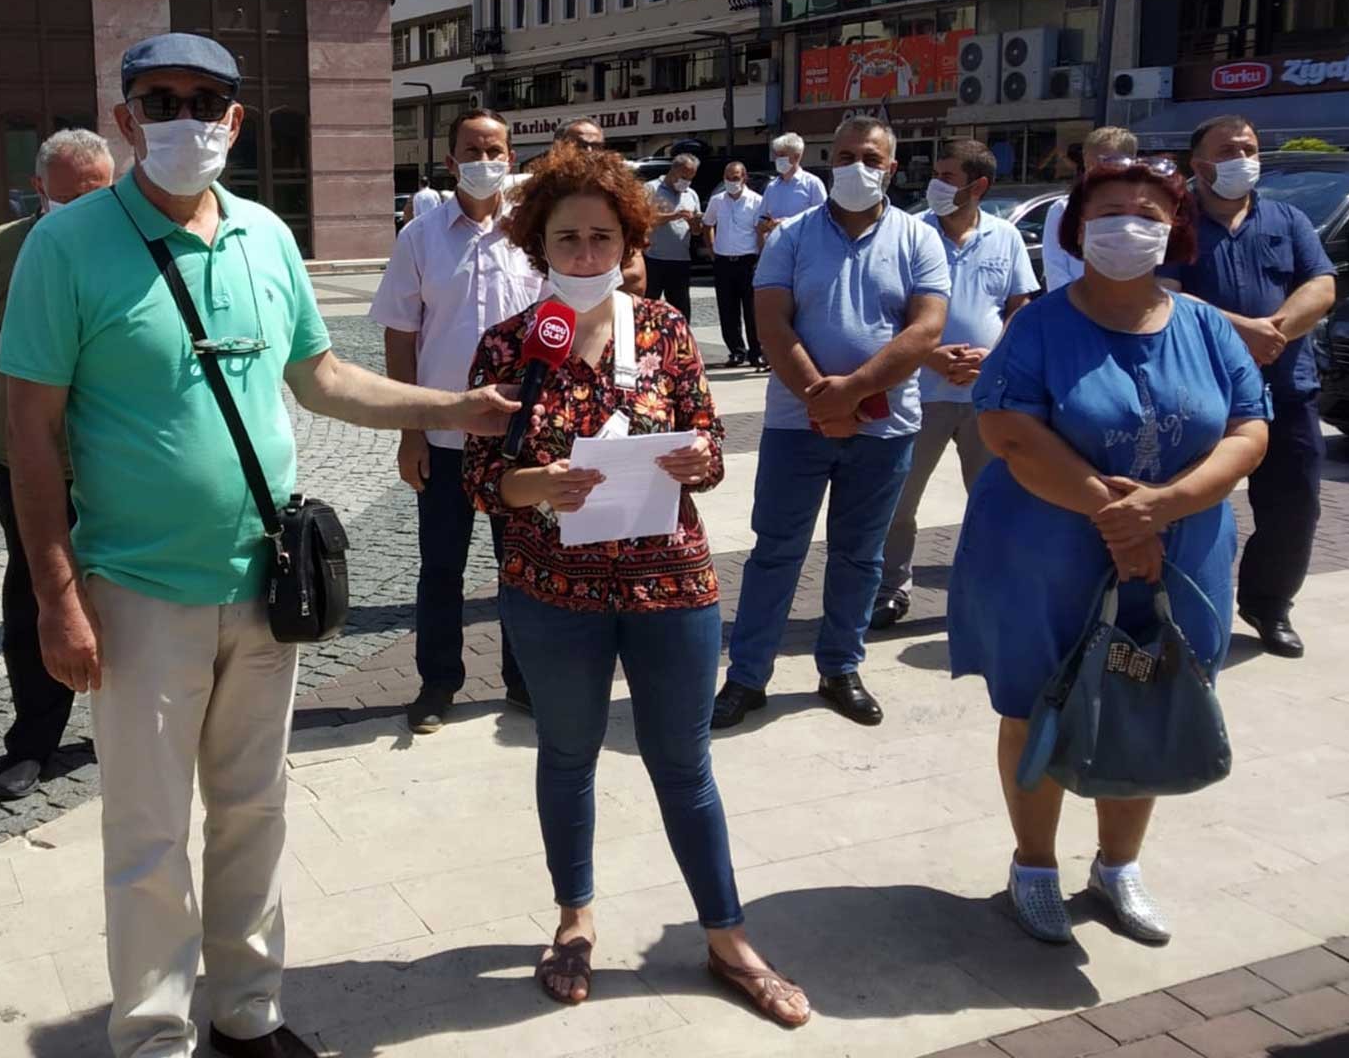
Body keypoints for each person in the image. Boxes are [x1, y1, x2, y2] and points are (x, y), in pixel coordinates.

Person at [0, 32, 517, 1058]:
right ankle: (151, 1034)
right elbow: (30, 431)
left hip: (263, 578)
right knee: (147, 832)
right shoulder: (66, 247)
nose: (185, 116)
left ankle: (247, 1011)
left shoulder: (267, 237)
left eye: (207, 99)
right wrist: (57, 595)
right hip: (137, 589)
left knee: (254, 808)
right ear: (126, 118)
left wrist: (453, 405)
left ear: (236, 119)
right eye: (161, 97)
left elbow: (323, 376)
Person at [461, 143, 810, 1029]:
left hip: (670, 584)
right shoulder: (506, 345)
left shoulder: (664, 330)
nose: (585, 255)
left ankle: (727, 936)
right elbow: (478, 477)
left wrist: (701, 458)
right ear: (540, 246)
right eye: (567, 239)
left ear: (629, 242)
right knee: (568, 754)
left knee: (684, 764)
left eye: (602, 239)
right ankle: (574, 919)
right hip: (552, 590)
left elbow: (705, 446)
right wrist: (532, 486)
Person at [948, 161, 1270, 945]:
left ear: (1174, 229)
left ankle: (1119, 866)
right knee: (1035, 706)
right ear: (1078, 230)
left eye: (1147, 211)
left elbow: (1249, 429)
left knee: (1151, 693)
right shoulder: (1040, 326)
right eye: (1110, 211)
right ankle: (1033, 866)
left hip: (1181, 547)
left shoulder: (1204, 326)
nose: (1129, 223)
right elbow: (1010, 432)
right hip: (1046, 551)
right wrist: (1118, 515)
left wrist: (1162, 507)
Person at [713, 117, 948, 730]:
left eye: (870, 157)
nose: (856, 167)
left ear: (892, 168)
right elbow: (772, 324)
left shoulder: (919, 238)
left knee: (860, 556)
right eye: (844, 154)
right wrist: (822, 402)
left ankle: (840, 667)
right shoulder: (790, 235)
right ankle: (747, 676)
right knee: (776, 552)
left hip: (885, 428)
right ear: (826, 159)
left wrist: (853, 394)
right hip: (797, 426)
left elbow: (925, 330)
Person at [0, 129, 115, 800]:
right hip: (25, 452)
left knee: (128, 583)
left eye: (101, 191)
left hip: (117, 449)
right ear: (40, 189)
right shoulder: (1, 250)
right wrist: (8, 387)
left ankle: (126, 721)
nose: (90, 205)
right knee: (39, 587)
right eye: (74, 195)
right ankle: (34, 738)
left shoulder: (129, 241)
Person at [373, 109, 543, 733]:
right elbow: (401, 334)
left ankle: (524, 680)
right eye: (471, 149)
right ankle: (437, 684)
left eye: (494, 148)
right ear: (449, 162)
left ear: (511, 158)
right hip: (443, 438)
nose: (484, 159)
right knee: (440, 567)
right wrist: (410, 429)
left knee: (518, 565)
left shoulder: (533, 233)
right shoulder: (420, 236)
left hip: (515, 440)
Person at [1164, 114, 1336, 658]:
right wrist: (1243, 330)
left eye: (1251, 147)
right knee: (1191, 503)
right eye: (1229, 148)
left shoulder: (1288, 219)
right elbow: (1164, 294)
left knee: (1294, 506)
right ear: (1200, 164)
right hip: (1202, 394)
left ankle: (1269, 604)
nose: (1244, 157)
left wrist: (1275, 333)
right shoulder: (1175, 222)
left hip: (1287, 390)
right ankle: (1177, 605)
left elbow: (1322, 284)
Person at [871, 139, 1038, 630]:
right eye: (936, 172)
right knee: (899, 501)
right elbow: (887, 309)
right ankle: (891, 589)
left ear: (977, 185)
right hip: (919, 393)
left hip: (986, 397)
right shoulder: (908, 232)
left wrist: (995, 358)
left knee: (992, 499)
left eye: (947, 175)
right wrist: (931, 354)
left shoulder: (1005, 237)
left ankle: (990, 588)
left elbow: (1019, 307)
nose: (936, 183)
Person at [1041, 127, 1138, 291]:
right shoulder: (1062, 210)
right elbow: (1055, 267)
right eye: (1089, 166)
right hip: (1073, 305)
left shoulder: (1145, 211)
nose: (1095, 173)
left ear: (1130, 163)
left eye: (1106, 164)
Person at [702, 161, 764, 369]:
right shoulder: (717, 201)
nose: (731, 182)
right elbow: (708, 224)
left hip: (748, 261)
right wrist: (711, 248)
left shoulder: (756, 201)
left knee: (753, 311)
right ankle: (736, 351)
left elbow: (760, 231)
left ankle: (757, 352)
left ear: (744, 177)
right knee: (727, 310)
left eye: (735, 177)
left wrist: (762, 257)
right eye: (728, 177)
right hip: (723, 262)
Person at [643, 153, 701, 319]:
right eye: (684, 176)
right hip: (654, 259)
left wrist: (694, 223)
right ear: (673, 170)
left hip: (681, 260)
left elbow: (696, 231)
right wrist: (673, 216)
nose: (686, 182)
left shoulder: (691, 194)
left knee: (681, 311)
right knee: (648, 308)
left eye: (690, 178)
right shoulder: (651, 189)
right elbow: (644, 219)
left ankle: (681, 342)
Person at [757, 132, 827, 245]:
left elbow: (823, 220)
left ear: (796, 156)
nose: (777, 159)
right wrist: (769, 224)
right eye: (776, 155)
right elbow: (761, 220)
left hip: (804, 248)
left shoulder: (812, 184)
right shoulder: (772, 187)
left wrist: (789, 223)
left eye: (782, 155)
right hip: (777, 248)